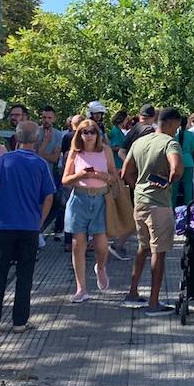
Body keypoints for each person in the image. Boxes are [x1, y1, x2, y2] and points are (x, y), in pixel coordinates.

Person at [120, 107, 184, 315]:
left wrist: (137, 186)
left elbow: (125, 172)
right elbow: (177, 168)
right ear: (172, 124)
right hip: (159, 205)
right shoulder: (169, 142)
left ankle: (132, 293)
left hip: (140, 202)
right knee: (159, 251)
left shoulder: (139, 142)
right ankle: (154, 302)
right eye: (177, 126)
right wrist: (167, 182)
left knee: (143, 247)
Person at [0, 120, 55, 333]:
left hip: (3, 225)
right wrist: (39, 222)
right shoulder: (40, 164)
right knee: (25, 274)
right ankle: (19, 321)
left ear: (16, 138)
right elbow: (48, 196)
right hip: (29, 227)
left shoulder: (4, 161)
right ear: (37, 138)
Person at [61, 119, 119, 302]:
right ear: (79, 134)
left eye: (92, 131)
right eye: (84, 132)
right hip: (79, 199)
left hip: (101, 199)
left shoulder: (105, 151)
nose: (88, 135)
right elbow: (65, 179)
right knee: (78, 246)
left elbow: (114, 177)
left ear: (98, 134)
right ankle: (81, 288)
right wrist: (81, 175)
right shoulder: (75, 152)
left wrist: (98, 175)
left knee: (101, 245)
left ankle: (100, 267)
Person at [35, 107, 66, 236]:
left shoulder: (58, 135)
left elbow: (54, 158)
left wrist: (41, 153)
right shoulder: (35, 132)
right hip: (34, 174)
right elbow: (34, 155)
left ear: (54, 119)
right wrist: (45, 142)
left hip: (48, 174)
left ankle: (40, 229)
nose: (46, 120)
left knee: (53, 202)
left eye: (49, 118)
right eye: (44, 117)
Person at [175, 113, 194, 206]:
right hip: (188, 161)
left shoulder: (174, 134)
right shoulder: (190, 134)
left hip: (176, 160)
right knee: (188, 186)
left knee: (174, 186)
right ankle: (188, 207)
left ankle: (172, 207)